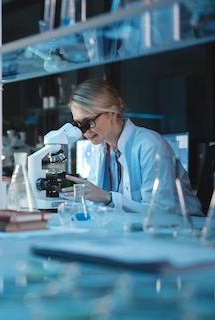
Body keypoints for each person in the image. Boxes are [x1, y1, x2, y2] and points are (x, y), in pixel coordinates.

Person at [64, 78, 203, 216]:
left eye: (89, 122)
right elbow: (97, 207)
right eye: (78, 124)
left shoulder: (150, 145)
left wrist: (108, 198)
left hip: (184, 230)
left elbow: (161, 212)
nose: (85, 131)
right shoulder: (100, 149)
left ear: (112, 113)